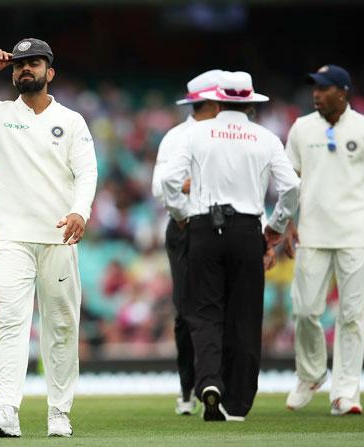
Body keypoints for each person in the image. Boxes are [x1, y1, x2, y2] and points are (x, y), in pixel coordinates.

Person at [0, 38, 97, 438]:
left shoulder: (72, 121)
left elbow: (87, 172)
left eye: (35, 63)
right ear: (12, 72)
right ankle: (7, 408)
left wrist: (81, 211)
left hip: (59, 238)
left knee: (61, 326)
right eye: (20, 64)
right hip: (13, 240)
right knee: (10, 320)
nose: (26, 69)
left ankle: (59, 411)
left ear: (50, 72)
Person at [162, 71, 300, 422]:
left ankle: (209, 382)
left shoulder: (196, 133)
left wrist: (181, 215)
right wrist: (275, 228)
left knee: (204, 313)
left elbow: (169, 182)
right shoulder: (265, 137)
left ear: (218, 100)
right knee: (244, 316)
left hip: (204, 228)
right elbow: (292, 189)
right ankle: (236, 403)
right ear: (251, 103)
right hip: (246, 229)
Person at [284, 65, 364, 415]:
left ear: (343, 92)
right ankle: (311, 374)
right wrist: (287, 221)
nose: (316, 94)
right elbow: (291, 180)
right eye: (314, 89)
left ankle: (345, 393)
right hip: (312, 235)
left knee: (351, 317)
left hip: (355, 236)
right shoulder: (302, 128)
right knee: (304, 311)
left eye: (324, 88)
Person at [151, 69, 223, 415]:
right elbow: (159, 185)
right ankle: (187, 388)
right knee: (185, 311)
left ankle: (217, 382)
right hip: (185, 225)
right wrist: (196, 186)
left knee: (221, 307)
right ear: (208, 104)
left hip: (222, 225)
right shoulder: (177, 137)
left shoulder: (225, 135)